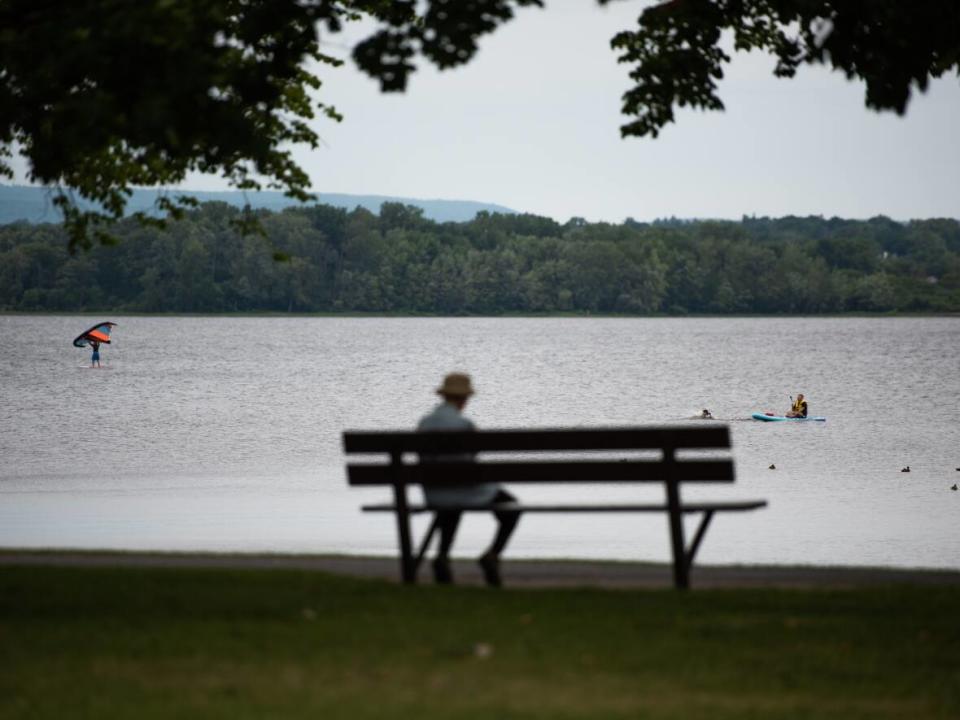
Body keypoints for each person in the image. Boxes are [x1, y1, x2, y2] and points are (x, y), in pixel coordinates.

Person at [417, 372, 519, 587]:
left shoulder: (424, 424)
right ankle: (492, 555)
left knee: (450, 503)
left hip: (434, 492)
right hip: (462, 488)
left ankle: (442, 556)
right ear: (464, 400)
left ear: (443, 397)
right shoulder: (464, 425)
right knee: (511, 507)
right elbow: (471, 461)